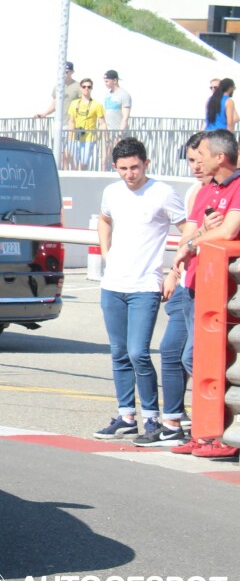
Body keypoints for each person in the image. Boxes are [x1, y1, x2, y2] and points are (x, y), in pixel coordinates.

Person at [93, 137, 185, 443]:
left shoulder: (163, 193)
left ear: (146, 163)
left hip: (145, 286)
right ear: (115, 167)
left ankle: (153, 420)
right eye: (123, 168)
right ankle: (126, 417)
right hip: (113, 286)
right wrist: (106, 253)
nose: (129, 174)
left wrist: (174, 271)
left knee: (138, 353)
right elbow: (104, 220)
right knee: (119, 353)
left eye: (135, 167)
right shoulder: (111, 192)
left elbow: (188, 230)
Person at [170, 129, 240, 458]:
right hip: (196, 284)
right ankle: (203, 433)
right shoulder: (205, 190)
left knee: (203, 361)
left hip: (222, 289)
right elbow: (194, 232)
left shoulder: (237, 186)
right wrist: (191, 245)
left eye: (203, 155)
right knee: (190, 358)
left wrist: (195, 243)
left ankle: (216, 434)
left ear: (220, 158)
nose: (198, 161)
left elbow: (226, 231)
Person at [153, 132, 207, 449]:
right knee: (173, 352)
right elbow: (188, 236)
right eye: (190, 160)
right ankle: (174, 420)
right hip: (187, 283)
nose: (195, 165)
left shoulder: (227, 191)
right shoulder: (195, 191)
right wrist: (174, 271)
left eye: (200, 158)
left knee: (194, 358)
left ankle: (206, 425)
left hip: (207, 288)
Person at [66, 79, 104, 171]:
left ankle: (82, 178)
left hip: (89, 138)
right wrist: (70, 135)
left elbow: (102, 123)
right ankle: (75, 175)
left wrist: (100, 136)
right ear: (80, 88)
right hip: (75, 137)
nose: (86, 89)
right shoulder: (74, 103)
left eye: (89, 87)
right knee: (70, 158)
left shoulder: (97, 104)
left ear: (92, 88)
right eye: (84, 87)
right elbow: (71, 120)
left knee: (84, 162)